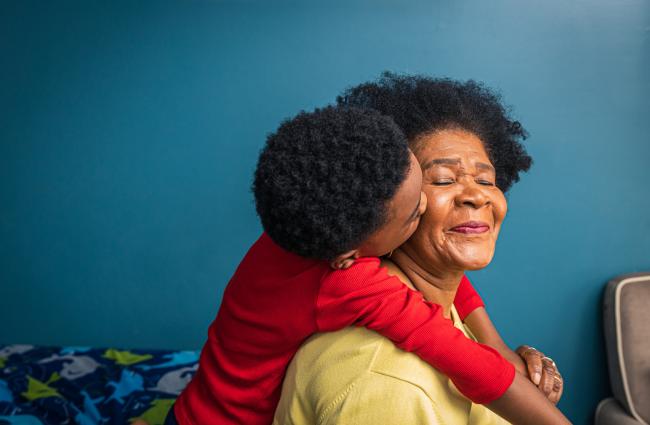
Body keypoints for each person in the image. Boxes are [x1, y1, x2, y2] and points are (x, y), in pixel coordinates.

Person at [161, 105, 559, 425]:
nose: (423, 207)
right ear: (351, 256)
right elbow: (475, 370)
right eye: (416, 212)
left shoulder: (308, 218)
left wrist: (498, 346)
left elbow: (443, 270)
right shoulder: (350, 286)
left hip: (204, 394)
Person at [272, 74, 569, 424]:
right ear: (383, 203)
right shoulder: (381, 381)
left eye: (487, 180)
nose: (476, 194)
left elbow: (482, 353)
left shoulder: (437, 292)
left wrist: (513, 360)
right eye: (443, 180)